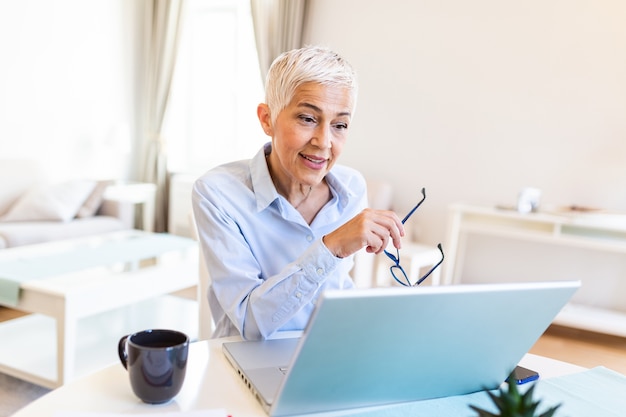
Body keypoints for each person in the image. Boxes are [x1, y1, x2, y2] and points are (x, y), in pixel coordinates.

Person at [192, 45, 405, 340]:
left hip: (326, 353)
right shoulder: (217, 193)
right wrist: (331, 248)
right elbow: (250, 324)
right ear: (267, 119)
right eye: (307, 118)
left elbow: (338, 291)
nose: (324, 142)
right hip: (245, 358)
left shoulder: (352, 188)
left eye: (340, 125)